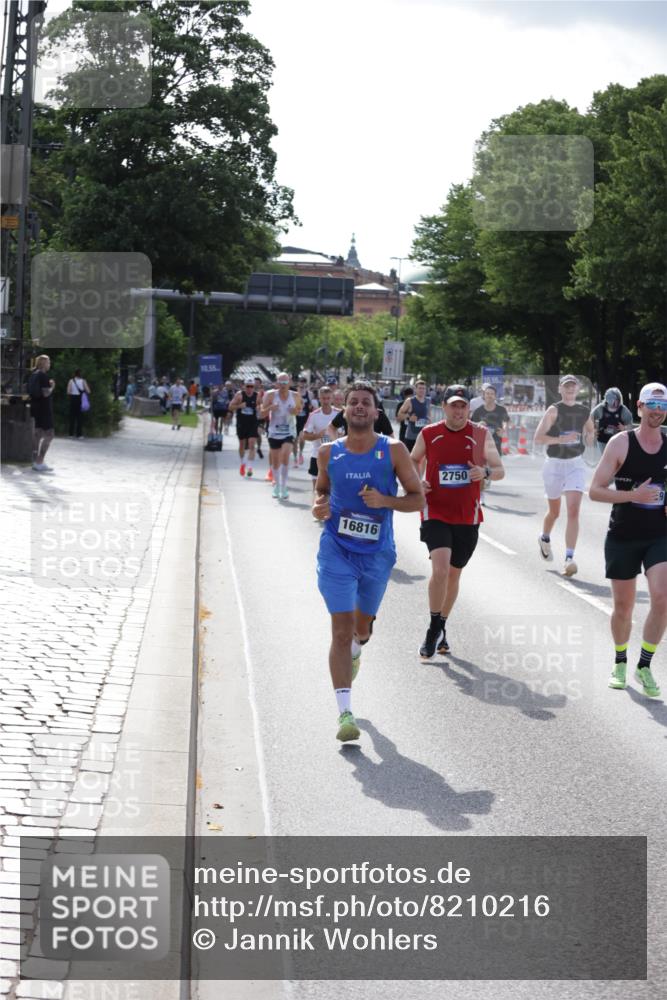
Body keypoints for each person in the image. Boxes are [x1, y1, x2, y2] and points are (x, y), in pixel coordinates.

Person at [312, 381, 425, 741]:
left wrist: (385, 501)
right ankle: (345, 713)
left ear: (377, 412)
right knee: (341, 632)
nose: (359, 407)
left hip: (377, 555)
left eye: (366, 403)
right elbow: (321, 490)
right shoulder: (328, 453)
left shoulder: (392, 450)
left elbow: (418, 499)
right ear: (343, 411)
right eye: (353, 402)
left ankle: (359, 648)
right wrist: (318, 505)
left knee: (362, 630)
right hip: (336, 550)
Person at [410, 384, 505, 659]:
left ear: (468, 409)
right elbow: (413, 461)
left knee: (453, 574)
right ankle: (432, 629)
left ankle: (441, 626)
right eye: (454, 405)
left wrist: (484, 472)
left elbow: (499, 470)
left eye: (463, 406)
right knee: (440, 570)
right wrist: (418, 482)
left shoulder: (481, 434)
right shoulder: (429, 433)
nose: (459, 410)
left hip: (467, 515)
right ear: (444, 407)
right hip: (435, 511)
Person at [589, 382, 667, 697]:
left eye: (662, 406)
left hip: (659, 535)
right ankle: (620, 661)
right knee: (624, 606)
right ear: (639, 408)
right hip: (623, 534)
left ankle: (644, 665)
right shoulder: (622, 443)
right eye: (652, 405)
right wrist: (633, 495)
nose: (658, 411)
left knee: (662, 598)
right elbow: (595, 490)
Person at [533, 375, 595, 576]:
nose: (570, 389)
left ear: (578, 389)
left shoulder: (584, 411)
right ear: (560, 389)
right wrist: (561, 438)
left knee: (574, 510)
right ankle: (544, 537)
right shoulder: (554, 410)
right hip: (554, 465)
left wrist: (589, 437)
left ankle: (569, 557)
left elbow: (591, 432)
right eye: (566, 386)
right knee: (555, 512)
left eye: (573, 386)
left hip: (575, 464)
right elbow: (538, 438)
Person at [260, 373, 302, 499]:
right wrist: (270, 408)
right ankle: (277, 486)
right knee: (276, 461)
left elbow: (299, 410)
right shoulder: (270, 395)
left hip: (289, 431)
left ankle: (283, 487)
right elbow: (261, 414)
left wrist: (294, 411)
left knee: (285, 455)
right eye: (281, 383)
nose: (283, 385)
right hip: (274, 431)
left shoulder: (295, 395)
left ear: (289, 383)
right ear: (276, 383)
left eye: (285, 383)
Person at [302, 385, 340, 496]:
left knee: (333, 489)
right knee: (317, 489)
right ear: (319, 398)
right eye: (323, 398)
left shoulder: (339, 414)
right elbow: (304, 436)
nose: (326, 401)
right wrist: (319, 435)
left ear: (332, 398)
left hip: (335, 455)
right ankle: (316, 510)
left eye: (328, 398)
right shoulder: (314, 415)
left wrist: (339, 435)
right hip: (317, 455)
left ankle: (330, 512)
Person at [28, 355, 56, 473]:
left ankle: (35, 462)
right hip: (44, 409)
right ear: (43, 363)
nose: (49, 364)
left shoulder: (34, 374)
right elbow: (45, 393)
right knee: (50, 434)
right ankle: (40, 461)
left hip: (35, 408)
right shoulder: (43, 376)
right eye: (48, 362)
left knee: (37, 434)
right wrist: (52, 386)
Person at [229, 380, 260, 477]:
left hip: (252, 423)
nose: (249, 389)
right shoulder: (239, 395)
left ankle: (250, 467)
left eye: (251, 386)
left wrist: (260, 408)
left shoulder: (257, 396)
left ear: (254, 387)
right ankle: (243, 463)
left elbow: (263, 407)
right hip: (241, 423)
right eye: (248, 386)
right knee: (242, 444)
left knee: (251, 445)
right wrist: (239, 406)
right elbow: (230, 407)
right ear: (244, 387)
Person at [591, 388, 633, 456]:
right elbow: (590, 417)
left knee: (616, 459)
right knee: (605, 458)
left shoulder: (623, 410)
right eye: (613, 400)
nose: (615, 402)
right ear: (608, 399)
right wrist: (593, 429)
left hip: (618, 441)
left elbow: (630, 425)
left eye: (617, 400)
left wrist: (625, 428)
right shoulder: (601, 408)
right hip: (602, 440)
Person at [470, 384, 510, 456]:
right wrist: (478, 424)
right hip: (481, 445)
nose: (489, 395)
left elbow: (506, 421)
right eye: (487, 393)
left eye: (492, 394)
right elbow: (471, 424)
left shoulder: (501, 409)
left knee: (495, 466)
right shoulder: (478, 411)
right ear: (484, 395)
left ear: (495, 396)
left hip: (496, 444)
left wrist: (503, 430)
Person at [397, 380, 431, 453]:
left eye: (423, 388)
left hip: (423, 436)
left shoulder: (428, 401)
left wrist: (429, 422)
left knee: (422, 461)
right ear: (415, 389)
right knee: (410, 460)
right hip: (411, 436)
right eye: (420, 388)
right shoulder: (410, 401)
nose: (422, 390)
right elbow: (399, 416)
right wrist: (409, 417)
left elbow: (428, 416)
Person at [293, 376, 314, 468]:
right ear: (298, 383)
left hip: (304, 419)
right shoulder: (294, 394)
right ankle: (294, 459)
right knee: (294, 440)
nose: (302, 383)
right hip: (295, 419)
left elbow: (312, 406)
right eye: (301, 382)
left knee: (302, 438)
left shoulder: (309, 394)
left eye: (304, 382)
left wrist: (310, 407)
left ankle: (300, 453)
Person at [66, 369, 91, 439]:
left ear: (75, 374)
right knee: (80, 417)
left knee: (72, 417)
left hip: (73, 399)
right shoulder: (83, 381)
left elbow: (68, 391)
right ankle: (79, 434)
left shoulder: (71, 381)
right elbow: (88, 391)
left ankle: (70, 434)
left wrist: (73, 392)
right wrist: (83, 391)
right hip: (80, 399)